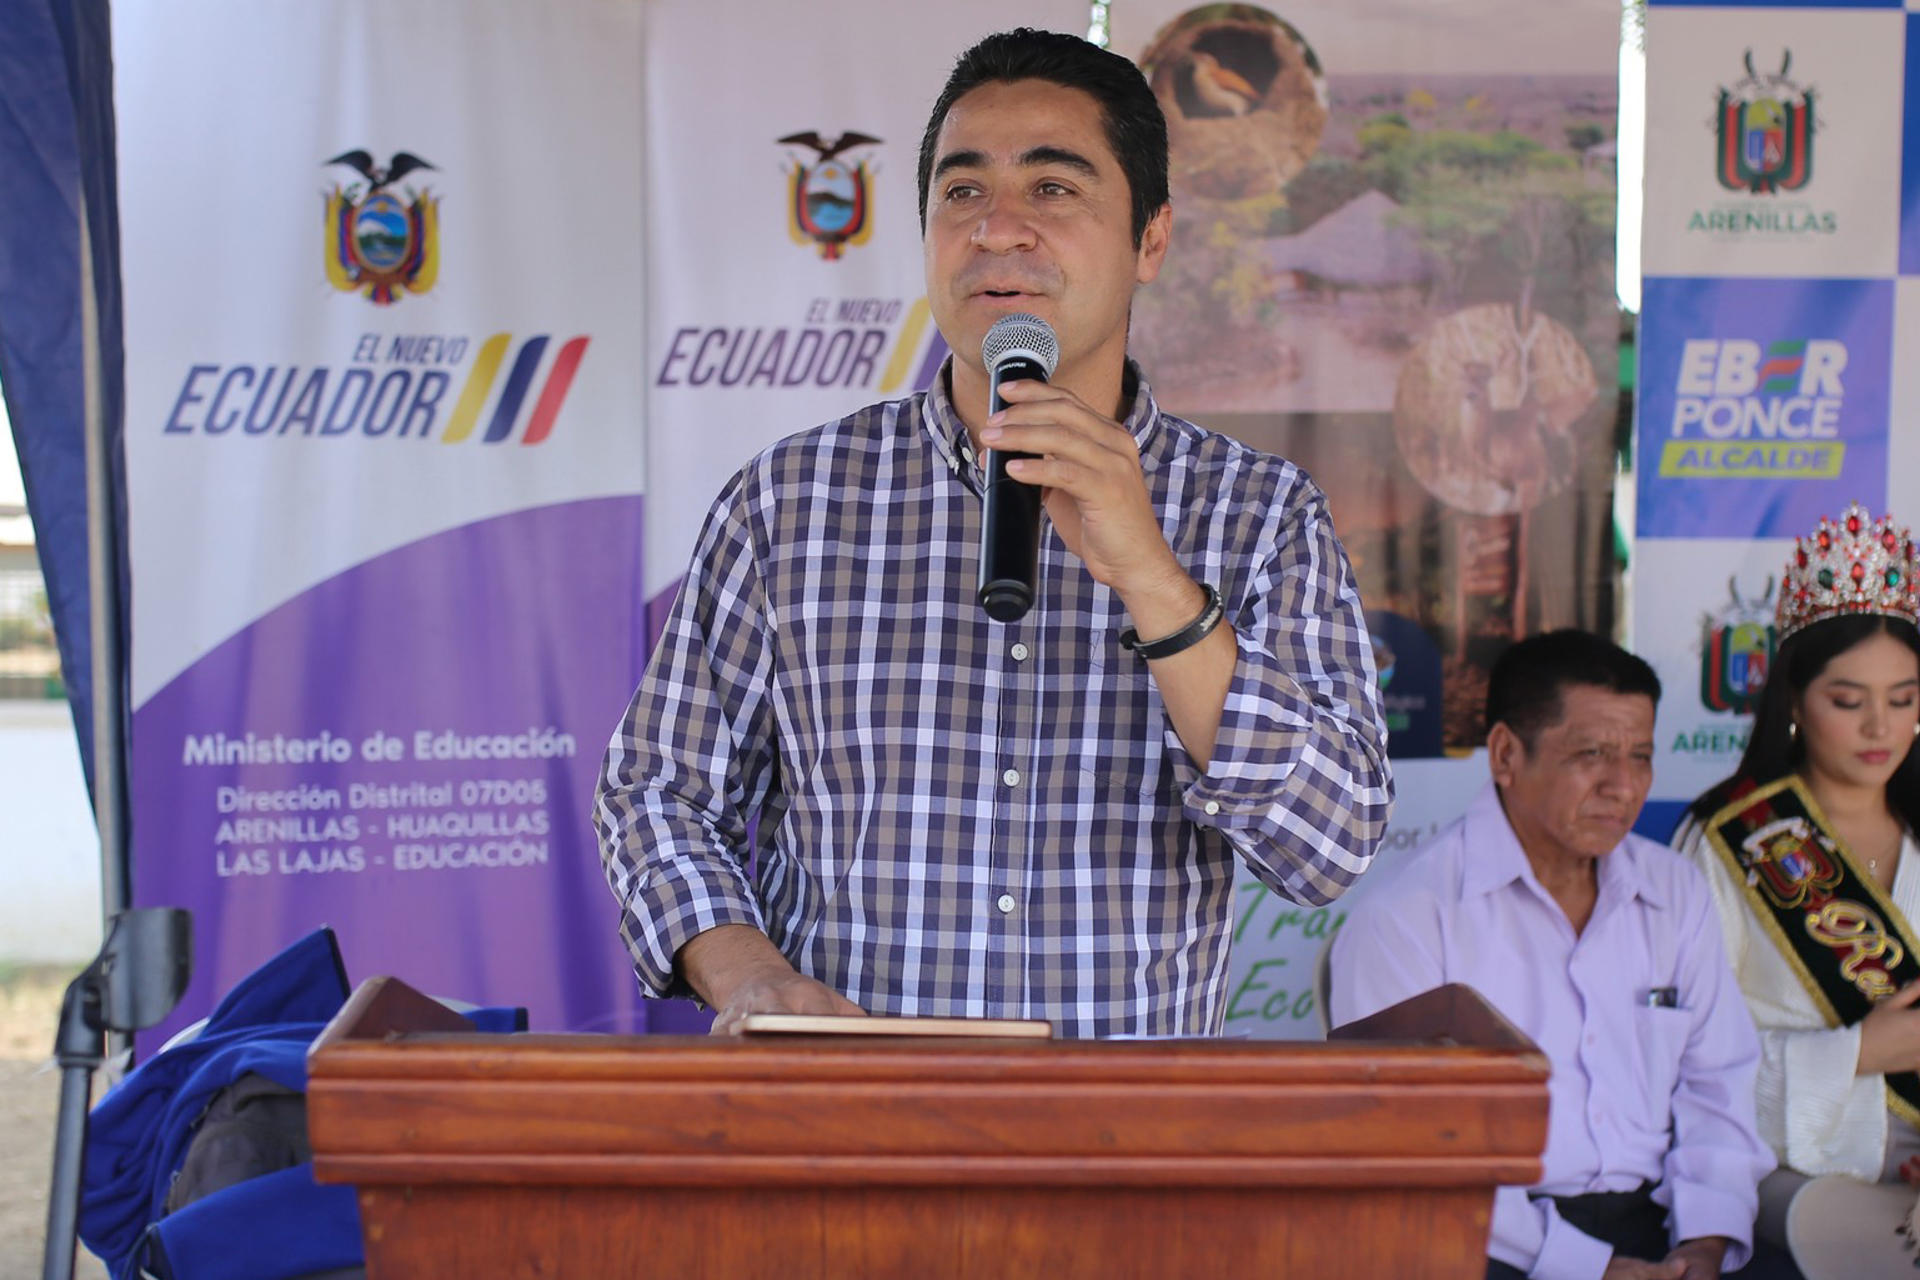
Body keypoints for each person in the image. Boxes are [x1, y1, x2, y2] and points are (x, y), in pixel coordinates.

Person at [593, 28, 1391, 1039]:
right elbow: (654, 791)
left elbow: (1328, 846)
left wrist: (1153, 577)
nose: (998, 230)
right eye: (962, 194)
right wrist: (746, 969)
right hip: (848, 1143)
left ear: (1151, 237)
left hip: (1121, 1160)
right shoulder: (790, 502)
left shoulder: (1260, 513)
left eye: (1054, 191)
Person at [1329, 630, 1786, 1280]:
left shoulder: (1674, 891)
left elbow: (1719, 1087)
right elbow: (1412, 1143)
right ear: (1506, 754)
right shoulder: (1406, 921)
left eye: (1641, 756)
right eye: (1592, 754)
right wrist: (1588, 1267)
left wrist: (1705, 1244)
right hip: (1493, 1242)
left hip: (1665, 1232)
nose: (1623, 787)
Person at [1672, 503, 1920, 1277]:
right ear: (1794, 702)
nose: (1880, 725)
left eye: (1906, 698)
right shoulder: (1730, 841)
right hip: (1789, 1170)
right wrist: (1854, 1054)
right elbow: (1680, 1058)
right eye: (1849, 701)